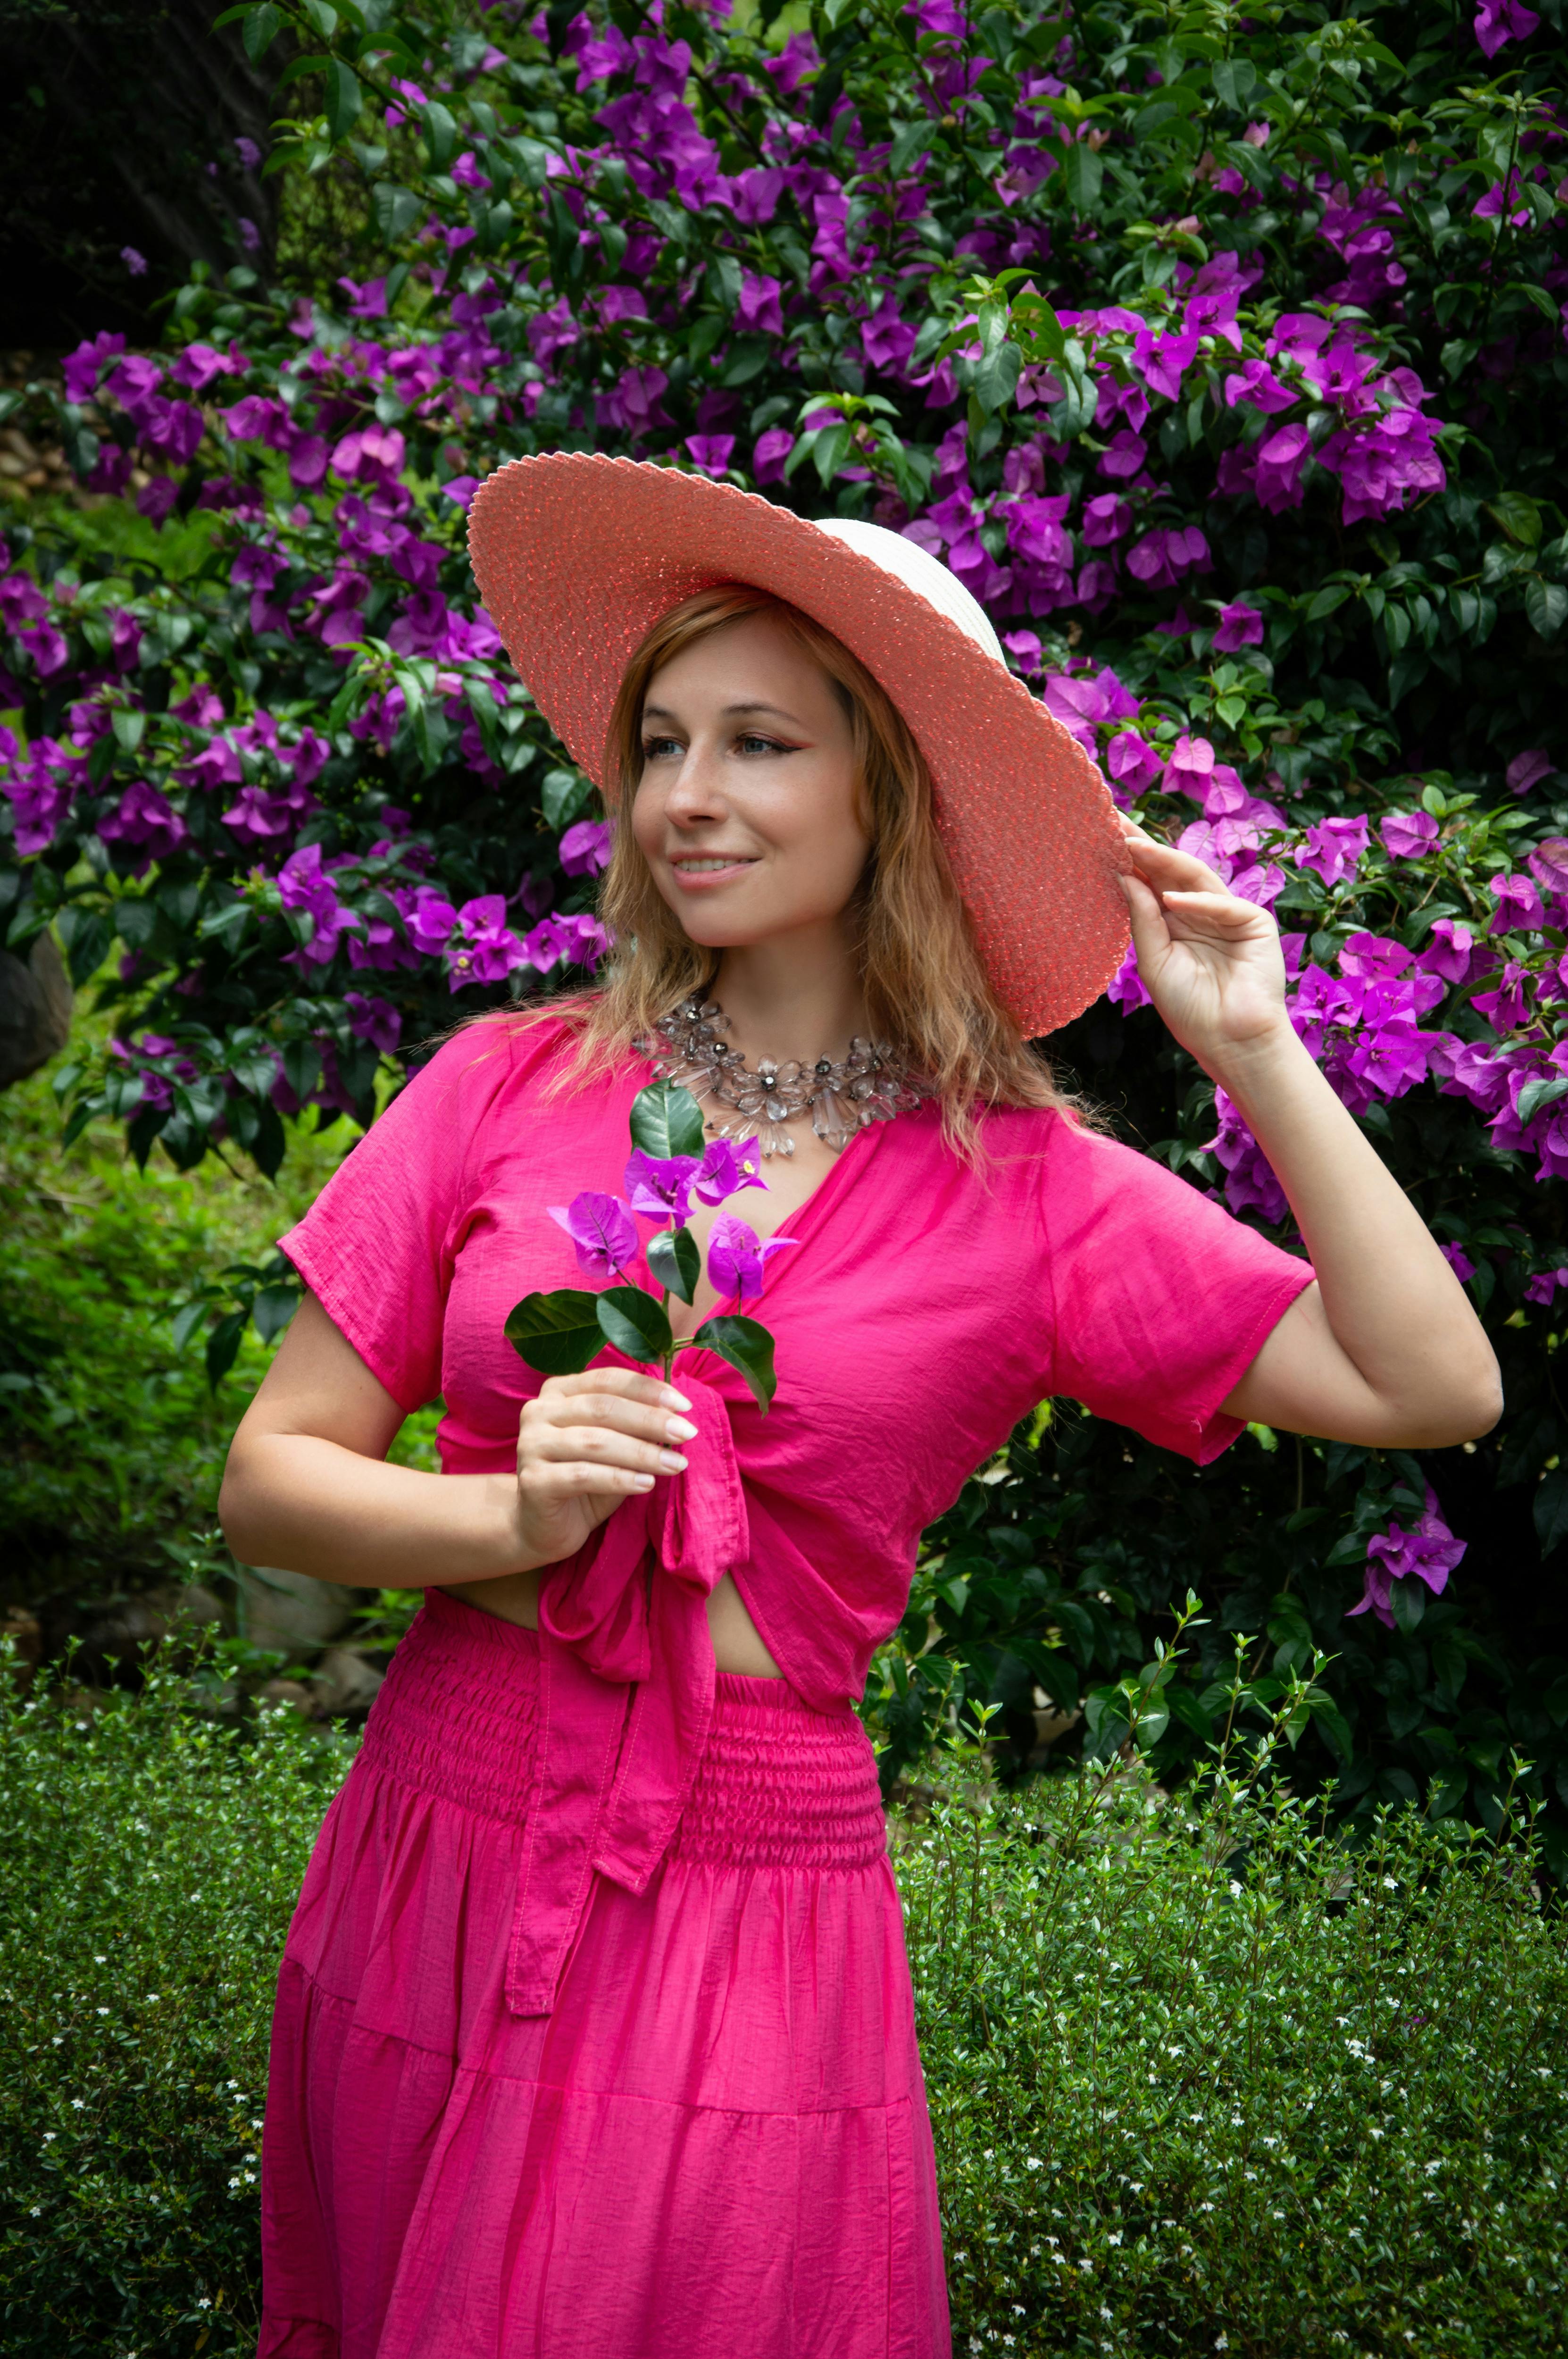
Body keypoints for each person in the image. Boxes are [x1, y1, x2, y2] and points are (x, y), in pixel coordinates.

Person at [221, 455, 1500, 2359]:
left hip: (740, 1890)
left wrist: (1258, 1051)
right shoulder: (509, 1078)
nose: (687, 796)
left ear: (886, 781)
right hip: (444, 1832)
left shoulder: (1029, 1189)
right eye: (661, 741)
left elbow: (1432, 1382)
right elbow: (270, 1478)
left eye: (758, 741)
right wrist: (505, 1516)